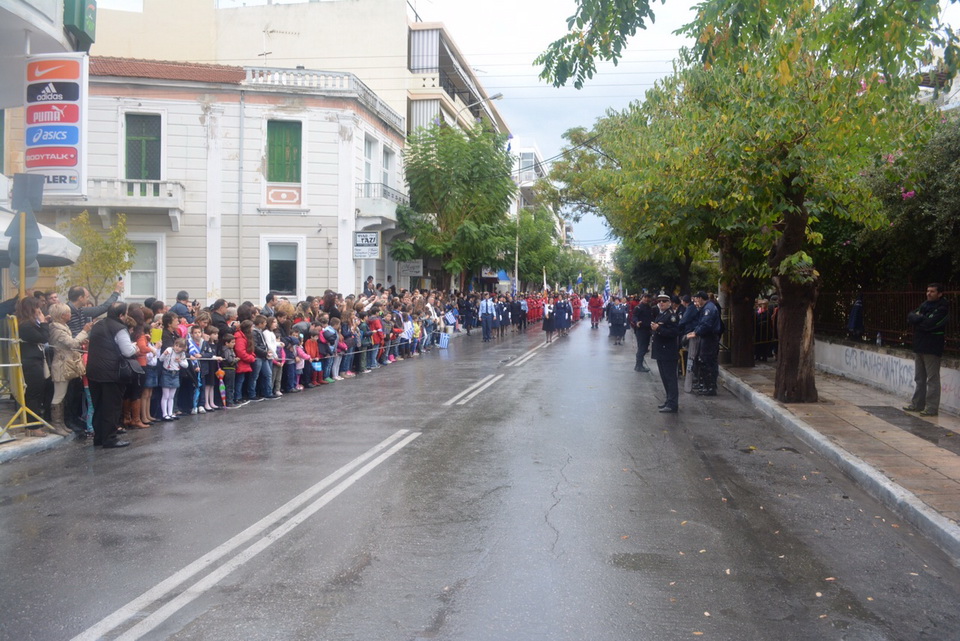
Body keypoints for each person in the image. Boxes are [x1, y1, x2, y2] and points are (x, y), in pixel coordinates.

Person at [86, 302, 138, 448]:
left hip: (94, 371)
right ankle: (110, 438)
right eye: (125, 314)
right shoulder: (120, 328)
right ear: (121, 315)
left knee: (99, 406)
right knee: (112, 407)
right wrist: (135, 347)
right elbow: (127, 351)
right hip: (112, 373)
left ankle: (99, 438)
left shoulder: (97, 325)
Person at [903, 283, 949, 417]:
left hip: (932, 347)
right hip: (919, 346)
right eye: (927, 291)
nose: (929, 293)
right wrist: (920, 319)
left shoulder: (943, 308)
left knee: (932, 379)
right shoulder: (924, 305)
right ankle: (917, 404)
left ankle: (931, 408)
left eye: (932, 291)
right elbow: (910, 317)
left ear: (939, 294)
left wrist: (919, 320)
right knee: (919, 378)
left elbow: (930, 324)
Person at [47, 302, 90, 436]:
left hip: (66, 363)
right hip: (61, 365)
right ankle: (56, 424)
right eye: (68, 312)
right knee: (59, 394)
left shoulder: (62, 327)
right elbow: (72, 343)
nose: (70, 314)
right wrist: (84, 331)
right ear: (62, 315)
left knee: (63, 394)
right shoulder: (57, 329)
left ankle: (61, 423)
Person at [16, 297, 56, 436]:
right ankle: (34, 427)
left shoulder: (29, 323)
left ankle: (31, 425)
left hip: (35, 360)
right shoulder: (25, 325)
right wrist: (44, 322)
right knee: (34, 394)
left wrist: (43, 322)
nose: (40, 310)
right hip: (31, 362)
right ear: (31, 309)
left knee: (35, 393)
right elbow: (43, 338)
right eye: (37, 308)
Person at [686, 291, 723, 396]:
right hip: (706, 337)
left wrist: (696, 333)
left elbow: (706, 324)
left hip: (709, 338)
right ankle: (706, 385)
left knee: (707, 362)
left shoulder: (708, 309)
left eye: (697, 299)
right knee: (704, 361)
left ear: (701, 298)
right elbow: (701, 323)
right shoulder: (706, 307)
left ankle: (710, 387)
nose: (696, 301)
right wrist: (695, 331)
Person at [650, 293, 681, 413]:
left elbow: (673, 332)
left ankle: (673, 404)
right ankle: (669, 400)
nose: (661, 303)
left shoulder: (671, 316)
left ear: (669, 303)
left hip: (668, 352)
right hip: (661, 351)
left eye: (664, 301)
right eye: (659, 301)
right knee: (664, 378)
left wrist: (658, 328)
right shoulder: (661, 314)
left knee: (670, 378)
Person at [632, 292, 655, 372]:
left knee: (645, 348)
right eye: (645, 297)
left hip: (647, 330)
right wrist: (636, 322)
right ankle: (638, 365)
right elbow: (634, 316)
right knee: (642, 348)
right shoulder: (638, 307)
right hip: (641, 330)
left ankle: (639, 364)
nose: (646, 299)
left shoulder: (649, 307)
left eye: (648, 298)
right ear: (642, 298)